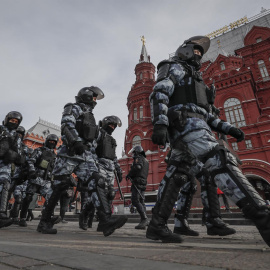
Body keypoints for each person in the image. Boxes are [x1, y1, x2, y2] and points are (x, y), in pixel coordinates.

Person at [147, 35, 270, 247]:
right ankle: (262, 217)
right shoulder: (175, 67)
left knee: (178, 174)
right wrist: (159, 123)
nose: (199, 55)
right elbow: (160, 91)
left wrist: (229, 128)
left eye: (200, 53)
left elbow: (207, 115)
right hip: (186, 125)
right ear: (184, 51)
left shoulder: (196, 80)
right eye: (196, 51)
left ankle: (157, 224)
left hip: (194, 124)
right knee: (219, 159)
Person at [37, 87, 127, 236]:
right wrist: (76, 141)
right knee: (59, 185)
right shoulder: (73, 108)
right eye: (93, 97)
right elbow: (66, 125)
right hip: (69, 154)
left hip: (86, 157)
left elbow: (94, 141)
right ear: (86, 95)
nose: (95, 101)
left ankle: (105, 220)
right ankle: (44, 221)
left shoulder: (91, 117)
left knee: (98, 181)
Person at [79, 115, 123, 231]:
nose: (112, 127)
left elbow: (114, 156)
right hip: (99, 165)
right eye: (111, 125)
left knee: (110, 194)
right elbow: (90, 149)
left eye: (114, 126)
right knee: (99, 192)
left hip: (110, 168)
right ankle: (88, 215)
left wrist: (118, 169)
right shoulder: (99, 134)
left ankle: (100, 221)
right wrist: (93, 165)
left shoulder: (112, 140)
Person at [18, 133, 59, 227]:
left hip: (46, 181)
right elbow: (31, 161)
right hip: (35, 178)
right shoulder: (39, 150)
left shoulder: (55, 156)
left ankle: (47, 218)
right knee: (28, 197)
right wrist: (32, 171)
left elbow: (56, 169)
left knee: (50, 199)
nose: (52, 143)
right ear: (46, 141)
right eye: (50, 141)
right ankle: (23, 218)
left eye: (54, 142)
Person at [0, 111, 25, 228]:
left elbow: (19, 155)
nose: (13, 123)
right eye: (12, 120)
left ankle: (1, 214)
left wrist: (11, 155)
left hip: (5, 164)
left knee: (5, 184)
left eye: (16, 122)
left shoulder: (17, 137)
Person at [126, 146, 149, 230]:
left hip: (137, 181)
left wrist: (130, 174)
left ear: (137, 152)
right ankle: (144, 221)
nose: (133, 154)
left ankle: (144, 219)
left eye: (134, 152)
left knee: (135, 200)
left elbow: (138, 167)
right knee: (142, 201)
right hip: (143, 182)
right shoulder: (146, 160)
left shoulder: (138, 158)